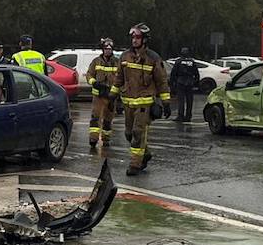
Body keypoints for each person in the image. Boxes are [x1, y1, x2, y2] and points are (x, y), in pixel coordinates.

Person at [115, 23, 169, 176]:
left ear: (144, 39)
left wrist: (165, 102)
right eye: (133, 37)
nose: (134, 40)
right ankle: (145, 154)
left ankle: (135, 165)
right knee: (129, 134)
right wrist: (114, 96)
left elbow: (161, 81)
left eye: (137, 37)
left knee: (138, 133)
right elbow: (119, 78)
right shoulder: (125, 57)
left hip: (144, 104)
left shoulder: (153, 58)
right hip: (128, 103)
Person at [85, 37, 120, 153]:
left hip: (111, 96)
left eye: (110, 49)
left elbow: (121, 78)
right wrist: (94, 82)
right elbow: (89, 74)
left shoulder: (117, 62)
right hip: (98, 96)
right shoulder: (96, 61)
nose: (108, 51)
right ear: (103, 49)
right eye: (106, 49)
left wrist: (117, 94)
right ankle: (93, 139)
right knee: (95, 118)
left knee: (108, 119)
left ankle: (106, 139)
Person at [169, 47, 201, 123]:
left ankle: (180, 116)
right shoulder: (192, 62)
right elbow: (196, 73)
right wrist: (196, 83)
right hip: (190, 82)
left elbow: (173, 73)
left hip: (181, 82)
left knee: (181, 100)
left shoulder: (178, 61)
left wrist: (172, 84)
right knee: (189, 101)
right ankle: (188, 116)